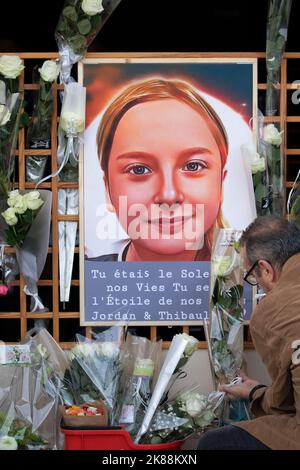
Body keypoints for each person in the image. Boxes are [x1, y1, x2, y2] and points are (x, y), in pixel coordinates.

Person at [91, 78, 229, 262]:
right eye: (139, 169)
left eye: (193, 166)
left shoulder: (248, 283)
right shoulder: (88, 281)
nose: (169, 195)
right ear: (107, 189)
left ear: (221, 183)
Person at [197, 215, 300, 450]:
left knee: (213, 444)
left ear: (265, 269)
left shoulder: (274, 309)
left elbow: (284, 404)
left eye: (252, 276)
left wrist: (254, 392)